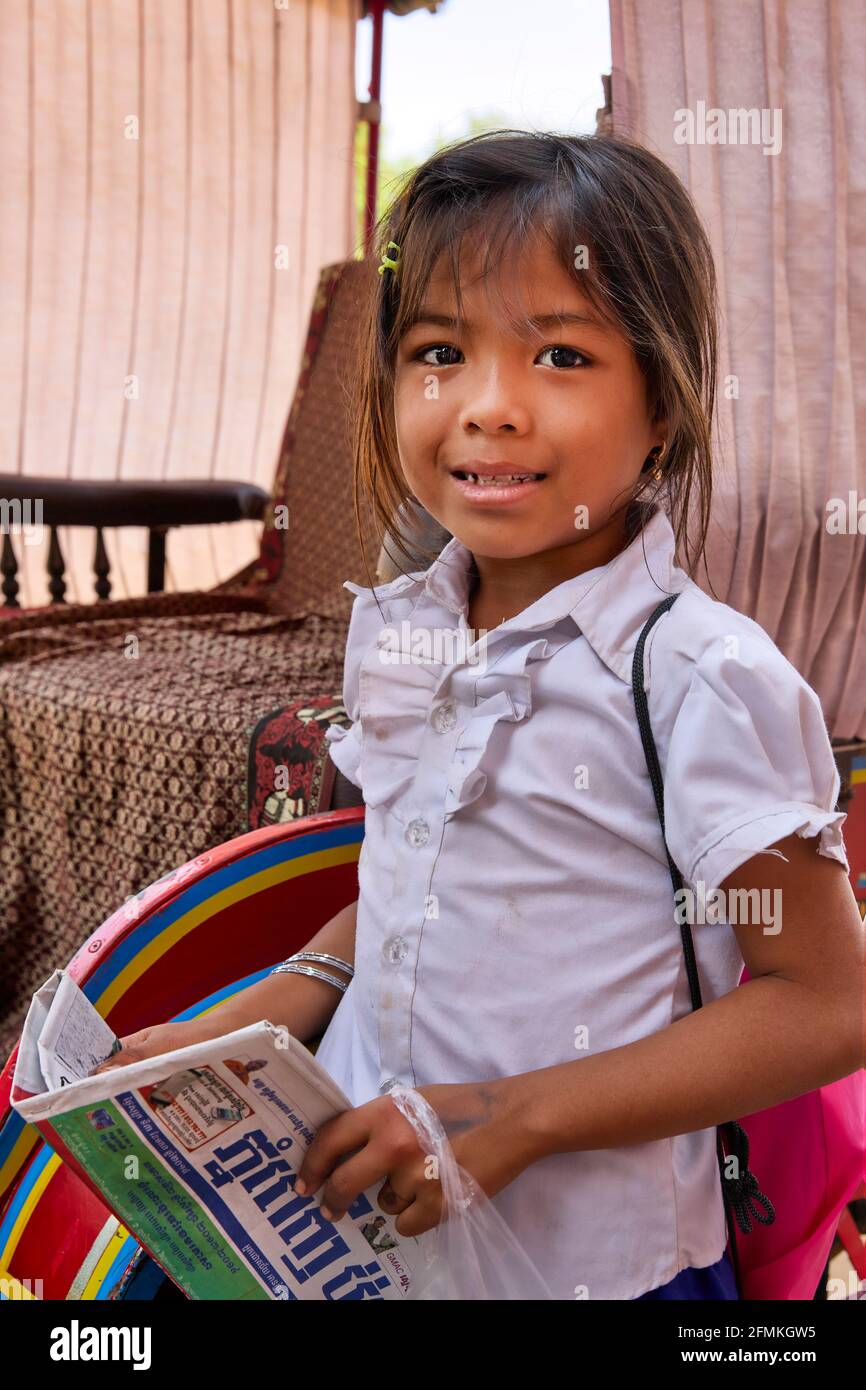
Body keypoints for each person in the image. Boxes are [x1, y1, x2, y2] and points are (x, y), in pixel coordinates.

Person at [92, 131, 864, 1300]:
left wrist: (514, 1115)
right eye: (440, 350)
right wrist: (269, 1005)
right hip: (347, 1219)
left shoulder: (698, 676)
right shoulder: (405, 629)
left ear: (662, 404)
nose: (487, 407)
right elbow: (419, 868)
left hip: (576, 1262)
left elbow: (826, 1001)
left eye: (559, 353)